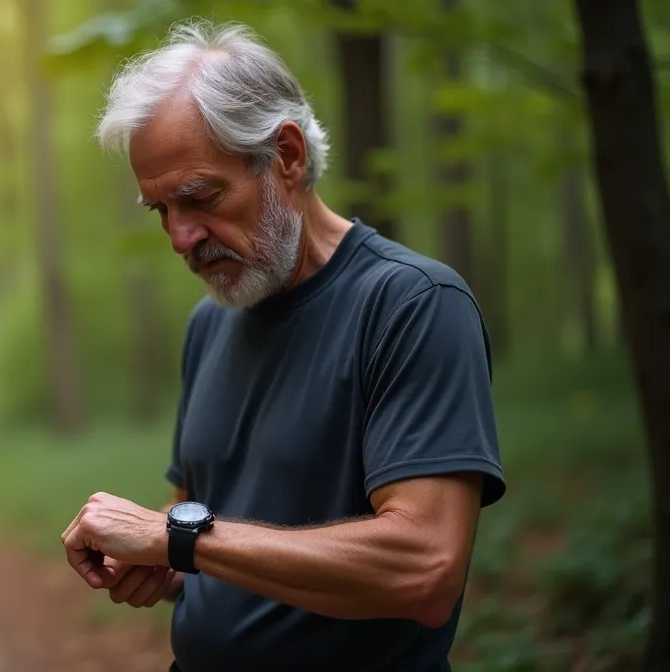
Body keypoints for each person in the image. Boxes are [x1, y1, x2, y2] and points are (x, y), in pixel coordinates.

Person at [59, 20, 507, 672]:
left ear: (287, 158)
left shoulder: (411, 305)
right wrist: (157, 556)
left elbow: (425, 568)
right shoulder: (211, 322)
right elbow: (206, 515)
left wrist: (176, 538)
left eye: (198, 197)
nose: (181, 238)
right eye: (160, 210)